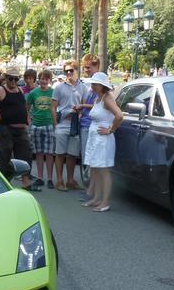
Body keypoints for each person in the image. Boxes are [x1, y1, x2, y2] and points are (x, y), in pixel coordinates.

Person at [0, 69, 39, 191]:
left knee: (26, 155)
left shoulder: (19, 90)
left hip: (21, 129)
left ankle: (26, 181)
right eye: (11, 78)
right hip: (7, 128)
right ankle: (0, 183)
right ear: (6, 78)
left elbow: (24, 106)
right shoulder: (1, 91)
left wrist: (27, 118)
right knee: (5, 155)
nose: (13, 81)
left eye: (16, 79)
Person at [81, 72, 123, 212]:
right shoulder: (98, 99)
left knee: (103, 170)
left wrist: (111, 130)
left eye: (95, 84)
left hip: (103, 139)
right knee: (96, 169)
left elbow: (119, 115)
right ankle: (96, 199)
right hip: (95, 138)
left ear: (102, 86)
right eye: (92, 84)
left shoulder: (107, 99)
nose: (92, 86)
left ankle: (105, 202)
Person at [51, 60, 87, 191]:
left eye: (71, 70)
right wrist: (56, 124)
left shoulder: (83, 87)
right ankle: (59, 181)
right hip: (62, 125)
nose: (69, 73)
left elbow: (84, 105)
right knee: (60, 153)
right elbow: (53, 107)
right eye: (66, 71)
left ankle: (70, 180)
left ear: (77, 71)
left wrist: (80, 113)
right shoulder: (59, 87)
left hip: (75, 125)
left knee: (72, 155)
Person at [76, 54, 101, 201]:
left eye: (88, 67)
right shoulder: (90, 84)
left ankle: (92, 193)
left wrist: (83, 106)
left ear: (96, 66)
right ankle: (90, 190)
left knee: (91, 159)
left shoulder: (99, 85)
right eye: (85, 67)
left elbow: (103, 104)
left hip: (92, 125)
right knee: (87, 158)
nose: (86, 70)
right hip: (85, 123)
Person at [26, 70, 55, 189]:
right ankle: (40, 177)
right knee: (38, 153)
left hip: (49, 124)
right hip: (36, 125)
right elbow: (27, 107)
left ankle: (49, 178)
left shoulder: (53, 92)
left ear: (49, 80)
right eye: (41, 78)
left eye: (46, 79)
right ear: (39, 79)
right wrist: (29, 121)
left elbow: (57, 107)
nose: (43, 81)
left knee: (49, 153)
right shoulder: (33, 93)